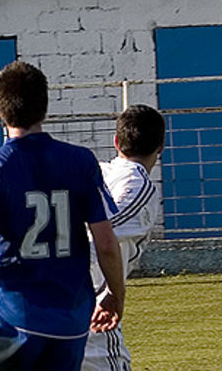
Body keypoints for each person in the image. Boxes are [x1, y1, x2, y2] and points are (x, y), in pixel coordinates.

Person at [0, 60, 125, 370]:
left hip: (16, 317)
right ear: (45, 106)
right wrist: (115, 295)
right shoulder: (81, 161)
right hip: (72, 319)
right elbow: (106, 242)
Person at [82, 104, 164, 370]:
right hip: (91, 311)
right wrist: (113, 293)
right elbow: (100, 239)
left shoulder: (94, 172)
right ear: (161, 147)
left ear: (115, 141)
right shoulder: (138, 186)